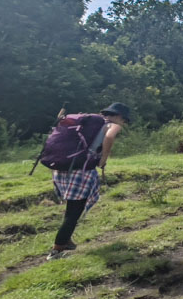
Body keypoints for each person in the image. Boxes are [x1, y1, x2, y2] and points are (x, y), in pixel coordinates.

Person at [47, 102, 130, 260]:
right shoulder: (112, 125)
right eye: (124, 120)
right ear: (119, 116)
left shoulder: (87, 121)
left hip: (62, 169)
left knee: (71, 209)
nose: (123, 123)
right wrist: (103, 159)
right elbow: (110, 136)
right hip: (81, 172)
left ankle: (66, 240)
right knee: (74, 213)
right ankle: (56, 251)